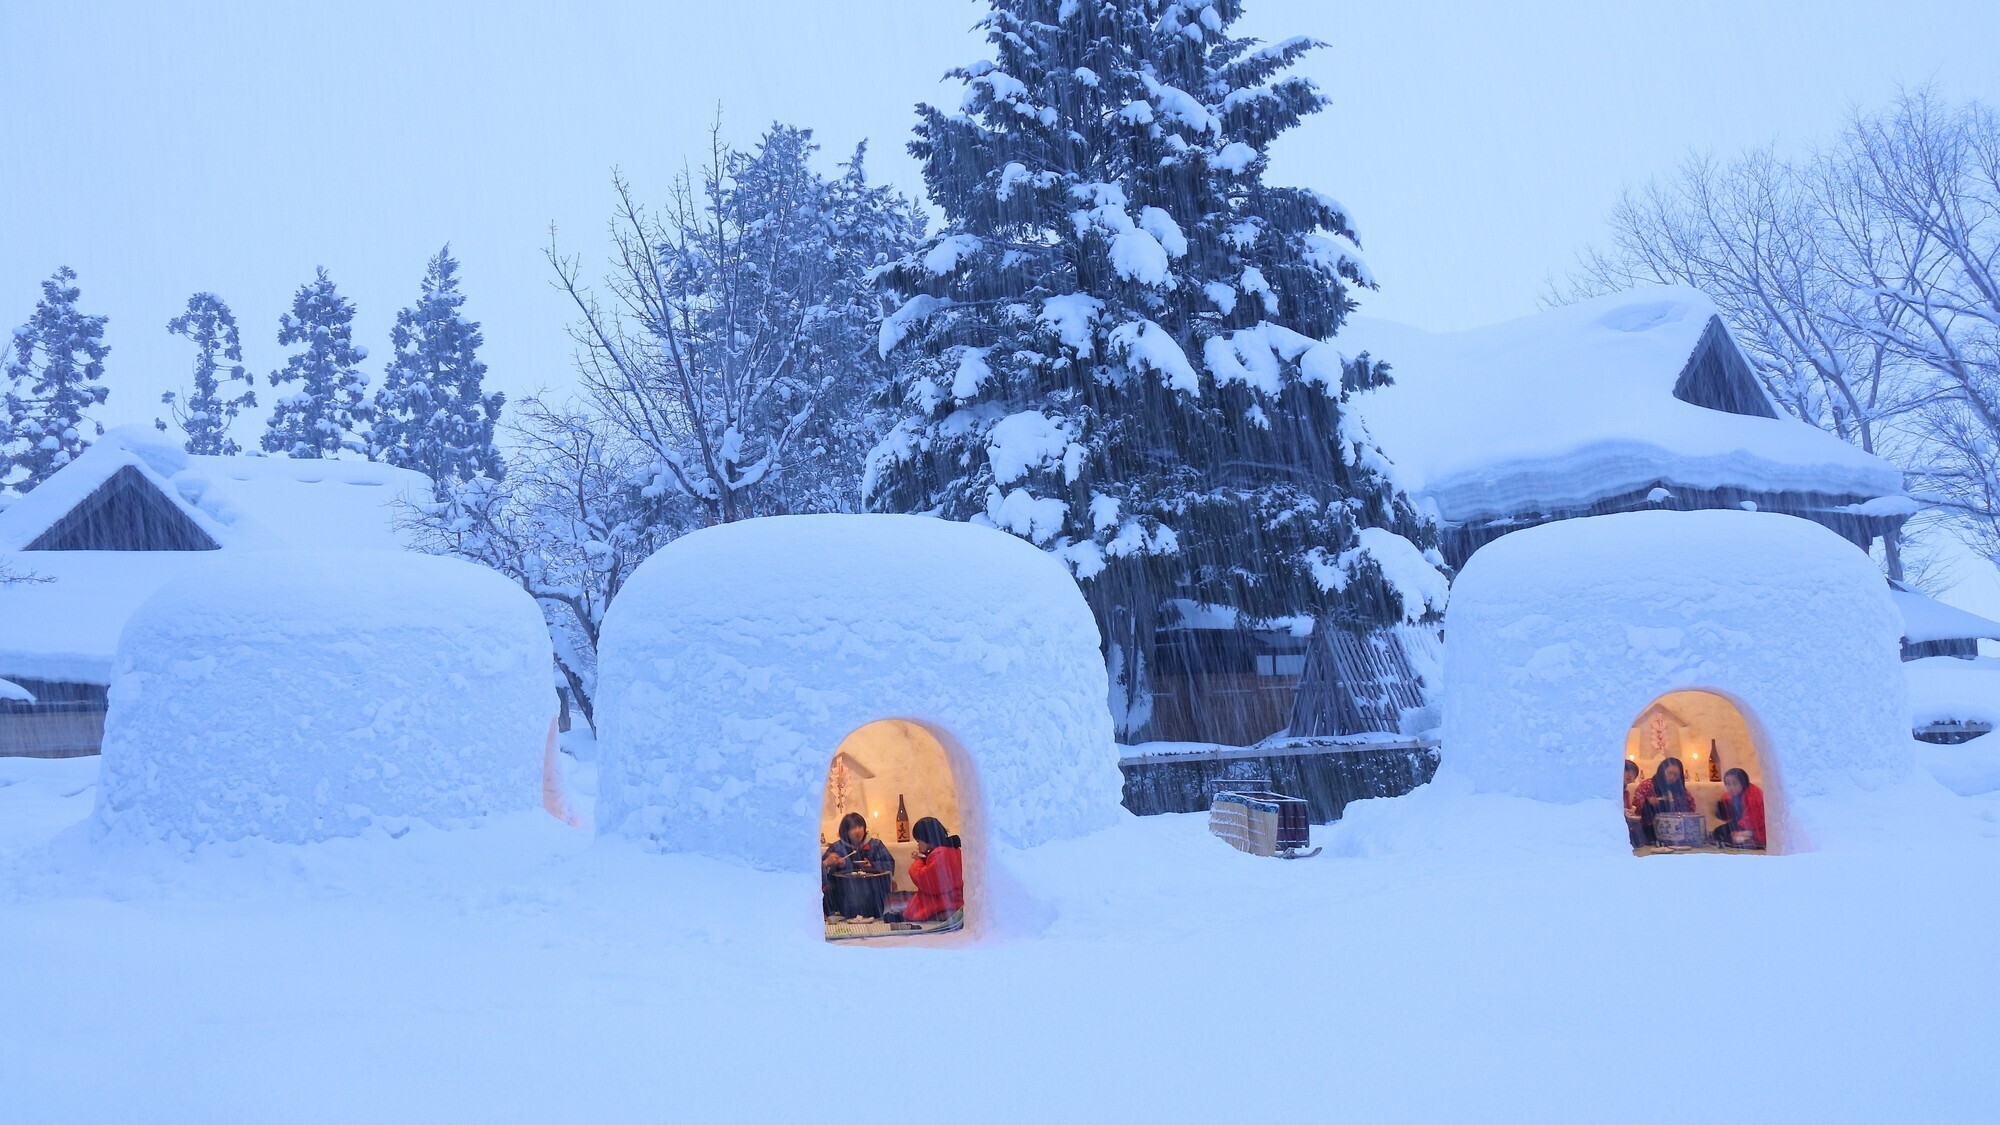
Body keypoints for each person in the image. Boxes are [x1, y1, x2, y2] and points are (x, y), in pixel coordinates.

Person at [822, 813, 894, 919]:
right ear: (845, 832)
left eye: (860, 826)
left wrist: (873, 866)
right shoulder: (837, 847)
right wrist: (833, 865)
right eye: (852, 828)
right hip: (844, 896)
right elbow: (821, 874)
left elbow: (889, 864)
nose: (857, 831)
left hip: (873, 895)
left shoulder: (875, 845)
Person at [896, 816, 964, 925]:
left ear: (926, 837)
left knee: (918, 904)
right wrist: (924, 858)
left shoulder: (941, 853)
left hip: (946, 903)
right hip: (954, 899)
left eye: (918, 841)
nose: (918, 844)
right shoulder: (951, 849)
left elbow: (926, 881)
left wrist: (918, 861)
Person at [1632, 757, 1696, 846]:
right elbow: (1635, 808)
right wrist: (1648, 802)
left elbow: (1691, 807)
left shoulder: (1680, 789)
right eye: (1670, 773)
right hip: (1649, 831)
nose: (1672, 777)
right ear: (1662, 771)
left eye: (1676, 775)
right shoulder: (1647, 785)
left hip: (1676, 832)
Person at [1711, 767, 1767, 850]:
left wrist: (1735, 827)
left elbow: (1754, 821)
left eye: (1735, 783)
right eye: (1728, 784)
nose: (1731, 787)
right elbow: (1728, 814)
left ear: (1743, 783)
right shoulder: (1734, 794)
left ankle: (1747, 841)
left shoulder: (1753, 796)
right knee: (1718, 833)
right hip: (1744, 824)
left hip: (1758, 829)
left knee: (1724, 834)